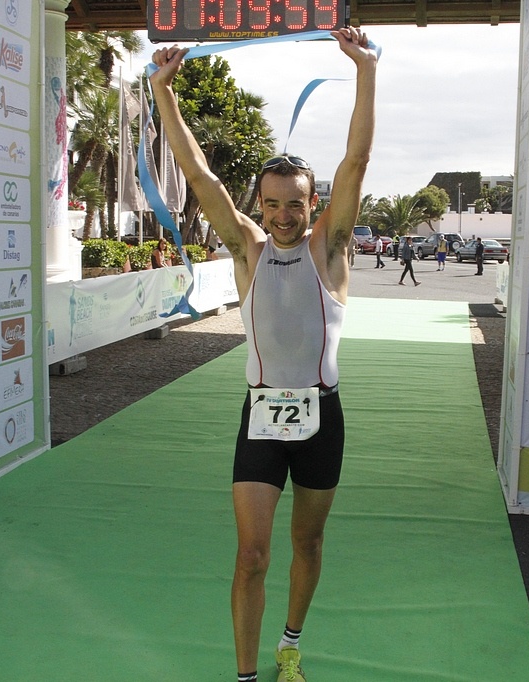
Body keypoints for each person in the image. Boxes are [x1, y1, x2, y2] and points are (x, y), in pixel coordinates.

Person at [150, 27, 377, 682]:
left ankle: (290, 645)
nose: (282, 215)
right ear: (259, 204)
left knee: (307, 541)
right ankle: (247, 675)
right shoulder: (247, 248)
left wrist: (364, 71)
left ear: (314, 204)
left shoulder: (326, 250)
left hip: (321, 417)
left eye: (295, 204)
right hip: (261, 415)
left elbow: (356, 163)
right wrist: (165, 92)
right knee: (251, 555)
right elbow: (198, 174)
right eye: (272, 204)